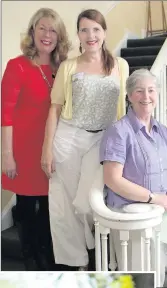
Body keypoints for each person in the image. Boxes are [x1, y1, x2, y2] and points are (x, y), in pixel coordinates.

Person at [41, 9, 129, 271]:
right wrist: (47, 151)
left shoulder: (120, 65)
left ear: (104, 33)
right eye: (84, 30)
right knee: (63, 204)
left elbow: (126, 107)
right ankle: (77, 263)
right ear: (78, 34)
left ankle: (91, 246)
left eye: (96, 30)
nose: (90, 35)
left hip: (101, 139)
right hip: (68, 137)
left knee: (86, 202)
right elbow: (55, 108)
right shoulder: (69, 66)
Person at [1, 8, 70, 270]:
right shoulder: (17, 65)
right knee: (28, 214)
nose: (47, 35)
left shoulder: (63, 67)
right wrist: (7, 155)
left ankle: (49, 264)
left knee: (51, 214)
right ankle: (32, 266)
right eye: (42, 28)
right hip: (25, 154)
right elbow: (5, 114)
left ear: (59, 36)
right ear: (33, 31)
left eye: (53, 30)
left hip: (53, 151)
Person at [100, 69, 167, 286]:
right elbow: (112, 179)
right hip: (130, 217)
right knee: (135, 278)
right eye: (139, 91)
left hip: (157, 213)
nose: (146, 96)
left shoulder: (161, 130)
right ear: (129, 96)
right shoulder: (118, 131)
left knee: (156, 274)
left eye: (151, 90)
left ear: (157, 94)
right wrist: (154, 197)